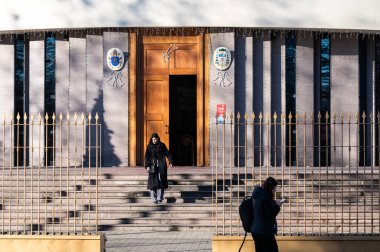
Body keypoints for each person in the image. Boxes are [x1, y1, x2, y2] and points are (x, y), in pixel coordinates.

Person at [250, 177, 286, 252]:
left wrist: (273, 202)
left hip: (256, 230)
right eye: (274, 189)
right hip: (264, 231)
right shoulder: (265, 198)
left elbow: (262, 209)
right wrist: (278, 205)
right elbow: (269, 215)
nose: (275, 191)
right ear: (270, 188)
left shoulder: (258, 195)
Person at [144, 132, 173, 204]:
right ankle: (154, 198)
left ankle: (159, 197)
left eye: (155, 139)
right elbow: (146, 157)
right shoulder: (149, 146)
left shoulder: (162, 145)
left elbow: (168, 154)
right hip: (152, 166)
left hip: (161, 165)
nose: (154, 141)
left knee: (160, 181)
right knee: (152, 182)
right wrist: (147, 166)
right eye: (153, 139)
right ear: (151, 139)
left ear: (158, 139)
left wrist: (171, 162)